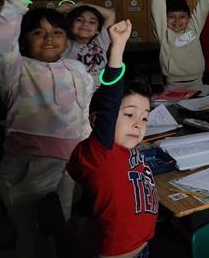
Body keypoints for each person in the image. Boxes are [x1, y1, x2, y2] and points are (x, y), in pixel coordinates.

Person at [0, 0, 97, 257]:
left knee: (62, 225)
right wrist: (18, 1)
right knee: (32, 233)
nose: (49, 38)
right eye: (38, 32)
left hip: (70, 163)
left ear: (67, 37)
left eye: (57, 32)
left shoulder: (76, 68)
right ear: (24, 40)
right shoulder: (15, 70)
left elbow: (84, 109)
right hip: (29, 166)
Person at [68, 20, 157, 258]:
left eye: (145, 118)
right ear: (98, 121)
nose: (138, 123)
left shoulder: (125, 151)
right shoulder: (101, 153)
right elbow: (109, 101)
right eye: (129, 115)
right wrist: (117, 48)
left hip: (143, 247)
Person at [61, 2, 117, 79]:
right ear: (71, 25)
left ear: (98, 30)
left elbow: (111, 14)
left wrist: (80, 5)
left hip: (99, 90)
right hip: (72, 90)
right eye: (79, 20)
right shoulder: (63, 43)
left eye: (92, 22)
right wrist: (69, 8)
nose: (85, 24)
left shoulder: (100, 42)